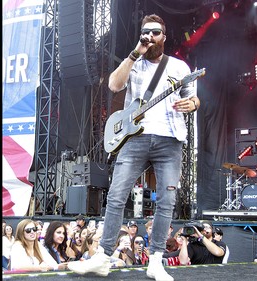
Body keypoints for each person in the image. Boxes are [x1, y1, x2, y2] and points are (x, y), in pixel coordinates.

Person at [67, 13, 200, 281]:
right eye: (147, 32)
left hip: (170, 140)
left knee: (166, 201)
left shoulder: (179, 67)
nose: (151, 37)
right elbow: (114, 85)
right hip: (135, 138)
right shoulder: (134, 62)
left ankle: (155, 260)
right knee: (116, 196)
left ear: (164, 37)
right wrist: (133, 54)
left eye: (156, 32)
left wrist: (193, 104)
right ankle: (103, 257)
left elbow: (193, 98)